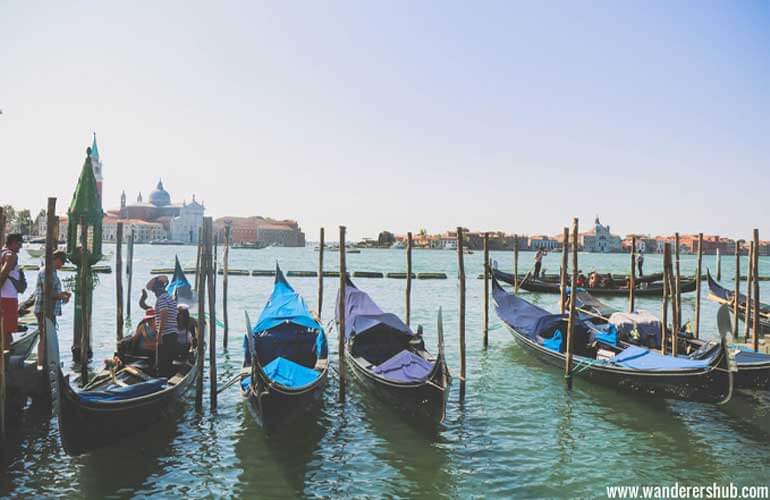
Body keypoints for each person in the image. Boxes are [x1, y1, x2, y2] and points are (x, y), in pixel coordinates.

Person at [34, 250, 72, 364]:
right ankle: (41, 362)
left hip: (50, 310)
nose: (63, 264)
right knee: (44, 336)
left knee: (48, 337)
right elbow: (47, 293)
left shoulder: (53, 272)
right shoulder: (46, 271)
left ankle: (46, 361)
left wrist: (63, 295)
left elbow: (53, 292)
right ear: (55, 259)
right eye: (62, 261)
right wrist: (61, 295)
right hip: (43, 309)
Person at [0, 233, 25, 345]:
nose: (20, 248)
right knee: (7, 331)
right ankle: (6, 358)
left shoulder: (2, 252)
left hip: (5, 297)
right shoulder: (11, 255)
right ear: (13, 242)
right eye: (19, 245)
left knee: (5, 330)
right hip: (8, 298)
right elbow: (4, 274)